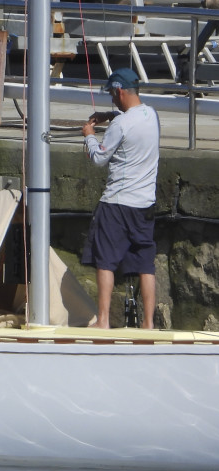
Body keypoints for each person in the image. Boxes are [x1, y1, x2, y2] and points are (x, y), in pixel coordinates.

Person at [80, 67, 160, 329]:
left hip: (116, 203)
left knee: (105, 260)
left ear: (119, 91)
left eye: (113, 96)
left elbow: (99, 159)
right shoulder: (152, 115)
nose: (112, 100)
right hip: (145, 205)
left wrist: (90, 137)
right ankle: (148, 324)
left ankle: (103, 320)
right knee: (145, 264)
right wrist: (109, 115)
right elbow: (131, 117)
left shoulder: (120, 124)